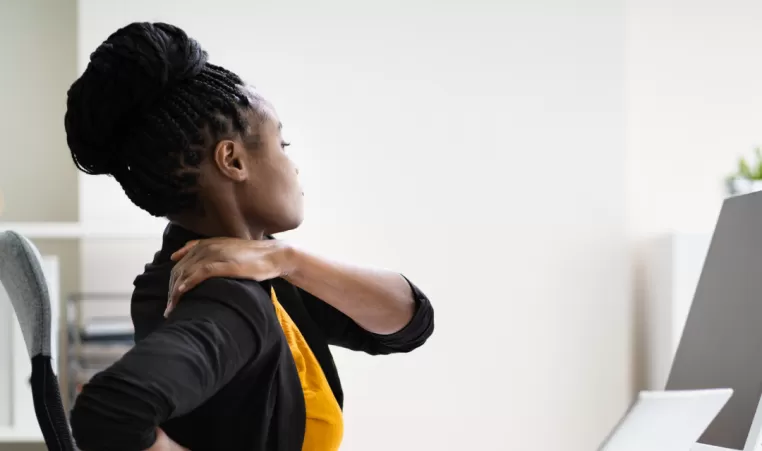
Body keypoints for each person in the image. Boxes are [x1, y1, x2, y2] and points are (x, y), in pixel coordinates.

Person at [64, 22, 435, 451]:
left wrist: (286, 259)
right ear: (233, 160)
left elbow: (407, 322)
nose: (292, 166)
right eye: (283, 143)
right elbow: (110, 411)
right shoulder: (228, 298)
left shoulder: (255, 270)